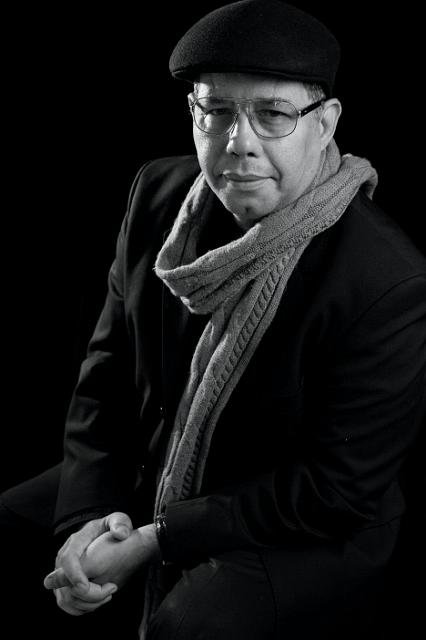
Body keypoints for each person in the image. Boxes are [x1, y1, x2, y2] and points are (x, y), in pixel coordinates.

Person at [1, 1, 425, 638]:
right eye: (217, 110)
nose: (239, 142)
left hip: (297, 520)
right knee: (15, 523)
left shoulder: (385, 277)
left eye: (273, 114)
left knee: (192, 623)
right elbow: (106, 376)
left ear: (325, 122)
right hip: (159, 466)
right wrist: (88, 516)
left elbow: (335, 489)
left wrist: (155, 537)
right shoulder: (157, 195)